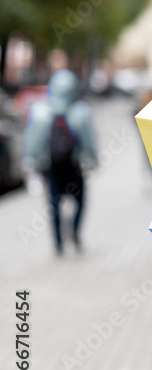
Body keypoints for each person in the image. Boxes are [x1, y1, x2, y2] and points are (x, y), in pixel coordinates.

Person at [22, 50, 97, 255]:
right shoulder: (80, 111)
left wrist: (29, 166)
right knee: (80, 201)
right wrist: (93, 161)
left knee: (54, 204)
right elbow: (89, 141)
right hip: (73, 167)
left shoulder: (41, 111)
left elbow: (32, 141)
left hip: (51, 166)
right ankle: (73, 232)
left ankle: (58, 243)